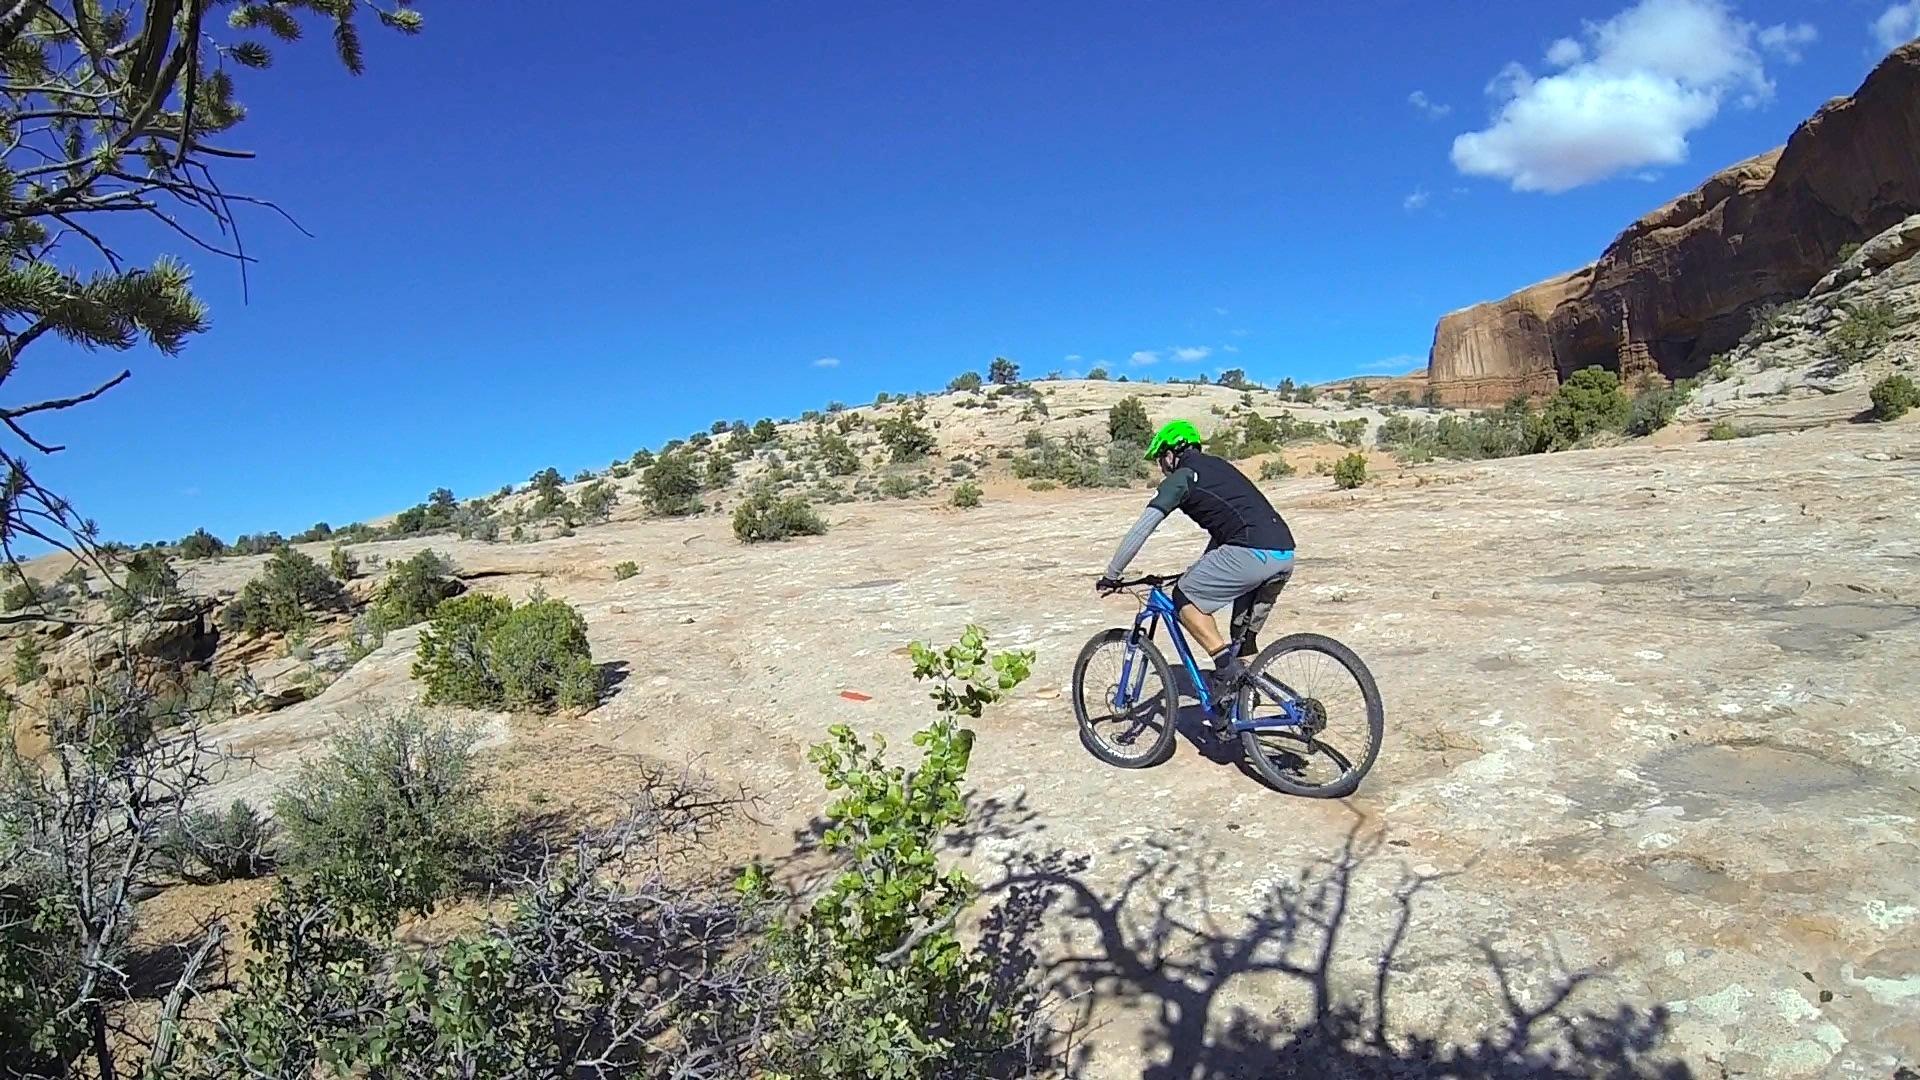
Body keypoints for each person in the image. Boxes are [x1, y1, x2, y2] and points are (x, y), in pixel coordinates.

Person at [1097, 419, 1296, 700]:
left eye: (1159, 459)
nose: (1161, 467)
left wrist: (1112, 574)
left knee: (1184, 600)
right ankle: (1254, 706)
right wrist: (1198, 569)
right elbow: (1228, 528)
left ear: (1171, 453)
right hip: (1283, 553)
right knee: (1241, 637)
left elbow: (1143, 527)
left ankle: (1226, 672)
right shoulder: (1220, 467)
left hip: (1254, 552)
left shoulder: (1182, 477)